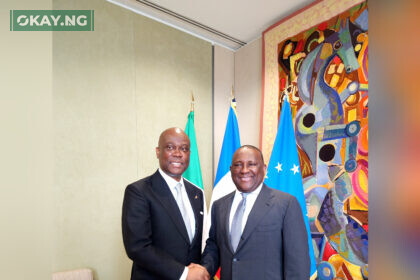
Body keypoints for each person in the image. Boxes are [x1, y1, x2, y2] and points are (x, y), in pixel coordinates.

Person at [201, 145, 310, 280]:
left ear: (264, 169)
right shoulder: (219, 205)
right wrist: (204, 270)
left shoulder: (286, 204)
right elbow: (214, 247)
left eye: (251, 164)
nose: (244, 170)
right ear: (231, 170)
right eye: (238, 165)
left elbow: (298, 262)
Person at [122, 127, 210, 280]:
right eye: (170, 147)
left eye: (184, 149)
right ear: (158, 151)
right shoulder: (138, 191)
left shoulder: (196, 193)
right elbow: (138, 247)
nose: (177, 153)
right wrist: (184, 274)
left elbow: (200, 243)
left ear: (189, 154)